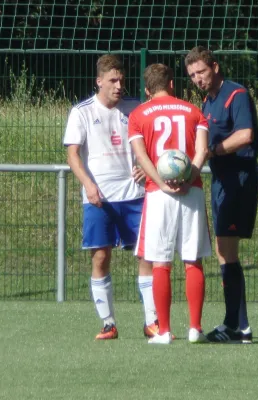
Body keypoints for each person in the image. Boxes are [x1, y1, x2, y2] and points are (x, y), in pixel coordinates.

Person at [63, 54, 159, 340]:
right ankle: (108, 323)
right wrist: (88, 185)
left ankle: (151, 321)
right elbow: (72, 154)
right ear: (99, 81)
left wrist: (146, 164)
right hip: (99, 197)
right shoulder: (81, 112)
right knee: (101, 257)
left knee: (146, 255)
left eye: (122, 80)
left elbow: (152, 144)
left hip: (135, 194)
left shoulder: (136, 109)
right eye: (113, 81)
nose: (119, 86)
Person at [128, 63, 212, 344]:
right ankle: (195, 328)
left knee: (161, 262)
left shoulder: (139, 114)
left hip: (158, 195)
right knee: (193, 260)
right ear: (173, 85)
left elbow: (142, 156)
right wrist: (190, 178)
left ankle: (163, 331)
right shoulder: (194, 111)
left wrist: (162, 183)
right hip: (191, 192)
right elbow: (202, 151)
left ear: (147, 90)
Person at [184, 46, 258, 343]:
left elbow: (245, 135)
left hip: (237, 179)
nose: (197, 79)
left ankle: (236, 326)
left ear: (215, 67)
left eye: (201, 72)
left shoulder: (235, 94)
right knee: (223, 253)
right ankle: (239, 326)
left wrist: (213, 150)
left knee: (227, 253)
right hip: (220, 181)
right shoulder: (207, 102)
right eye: (192, 75)